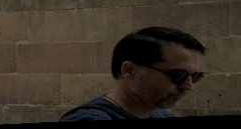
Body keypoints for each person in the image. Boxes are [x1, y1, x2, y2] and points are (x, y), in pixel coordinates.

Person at [61, 27, 208, 120]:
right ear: (129, 70)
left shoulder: (162, 115)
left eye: (195, 76)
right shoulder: (89, 118)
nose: (188, 86)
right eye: (178, 75)